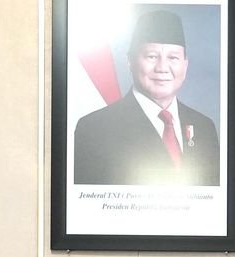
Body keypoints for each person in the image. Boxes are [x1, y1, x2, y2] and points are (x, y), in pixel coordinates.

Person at [73, 9, 221, 186]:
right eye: (152, 56)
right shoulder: (94, 129)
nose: (162, 68)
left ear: (185, 65)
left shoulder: (205, 128)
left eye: (173, 57)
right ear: (130, 61)